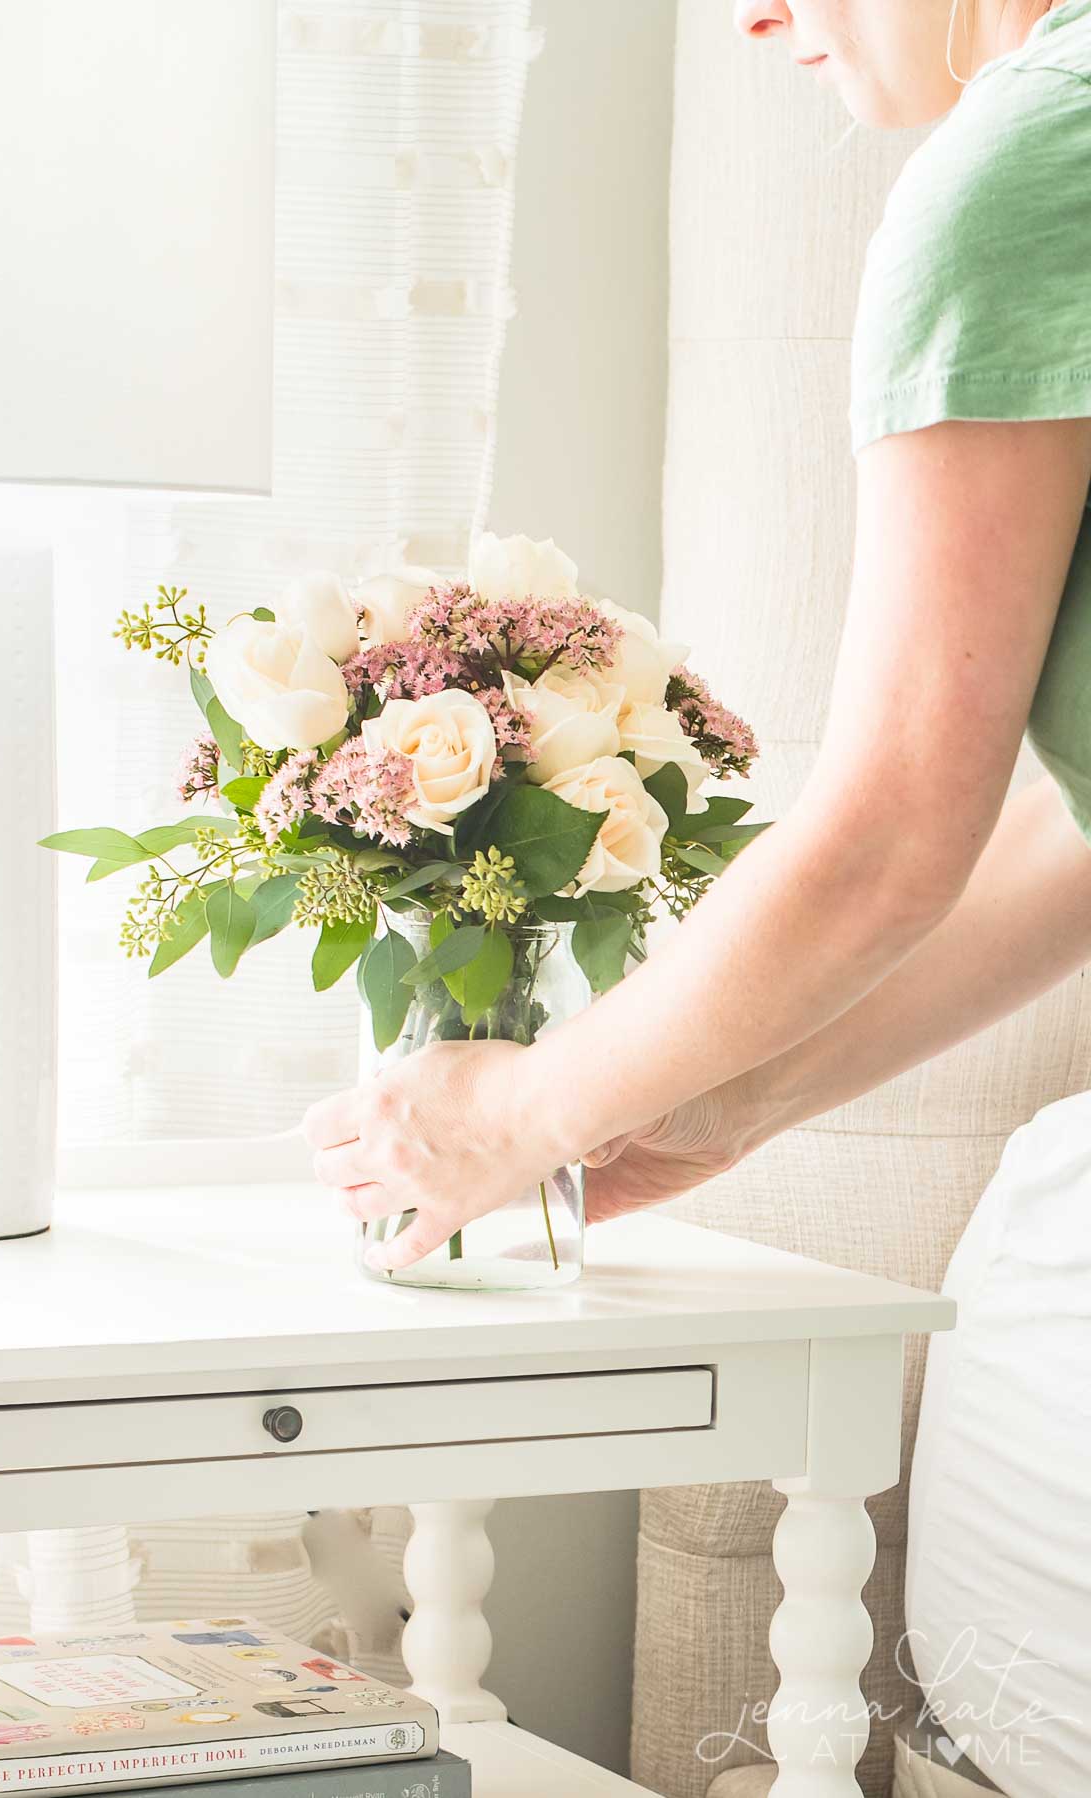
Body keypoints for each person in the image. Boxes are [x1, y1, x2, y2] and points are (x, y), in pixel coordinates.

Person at [305, 0, 1091, 1274]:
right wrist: (732, 1098)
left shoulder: (1022, 172)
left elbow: (894, 836)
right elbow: (1077, 827)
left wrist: (523, 1108)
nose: (755, 16)